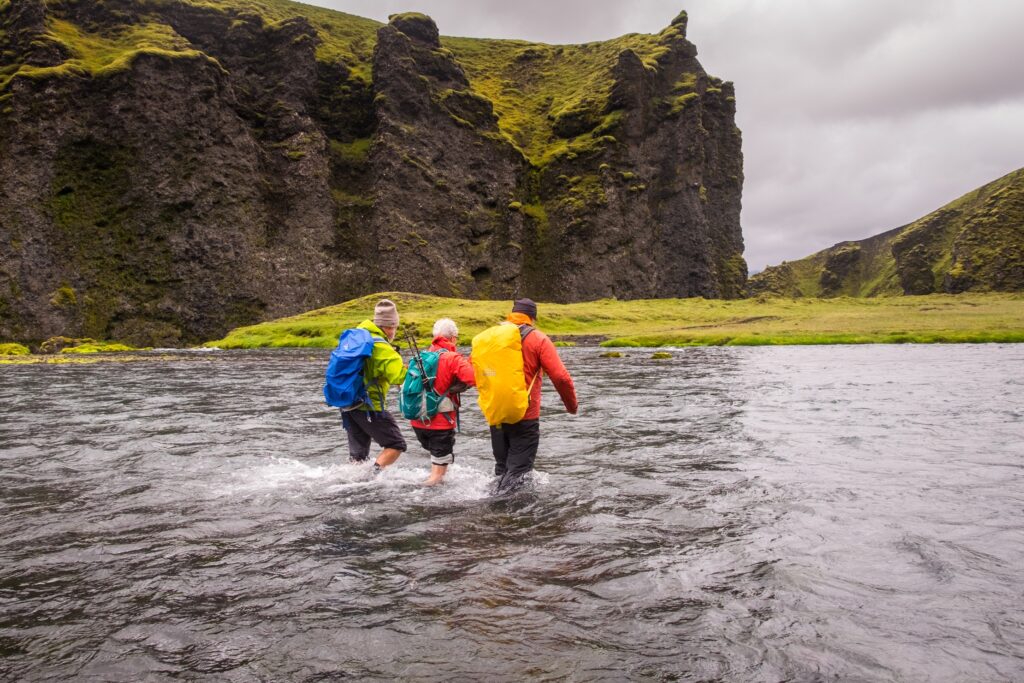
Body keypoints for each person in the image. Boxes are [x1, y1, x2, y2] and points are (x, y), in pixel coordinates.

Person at [487, 298, 578, 492]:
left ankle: (495, 512)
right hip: (525, 416)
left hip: (496, 413)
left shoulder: (493, 337)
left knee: (502, 470)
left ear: (511, 315)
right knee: (519, 474)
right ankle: (502, 513)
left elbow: (474, 370)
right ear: (532, 318)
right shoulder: (538, 339)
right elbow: (561, 377)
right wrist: (571, 406)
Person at [408, 318, 476, 486]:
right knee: (437, 476)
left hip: (418, 421)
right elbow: (474, 378)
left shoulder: (421, 357)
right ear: (453, 338)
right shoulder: (453, 358)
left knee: (438, 465)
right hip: (440, 424)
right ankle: (423, 498)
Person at [344, 299, 408, 472]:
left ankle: (351, 482)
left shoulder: (357, 337)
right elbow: (400, 377)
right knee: (396, 444)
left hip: (347, 402)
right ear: (390, 326)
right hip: (369, 405)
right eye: (395, 327)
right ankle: (370, 479)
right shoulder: (381, 346)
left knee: (358, 457)